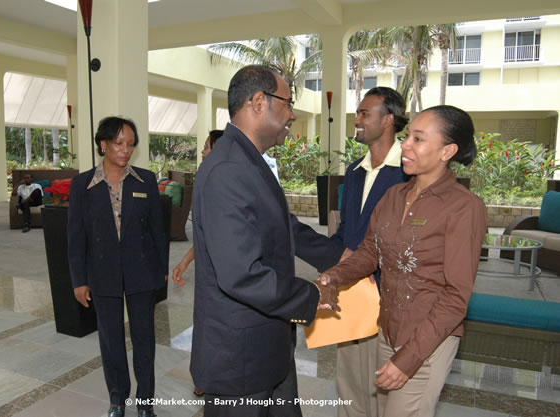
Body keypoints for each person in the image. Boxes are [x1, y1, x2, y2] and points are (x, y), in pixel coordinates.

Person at [190, 64, 343, 417]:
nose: (292, 114)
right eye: (287, 103)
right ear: (259, 102)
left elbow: (283, 226)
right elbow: (241, 274)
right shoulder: (228, 168)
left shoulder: (250, 161)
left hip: (268, 347)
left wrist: (340, 256)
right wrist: (312, 294)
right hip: (239, 361)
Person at [319, 105, 487, 417]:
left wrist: (409, 358)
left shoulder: (464, 208)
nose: (405, 144)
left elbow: (456, 296)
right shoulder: (394, 196)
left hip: (428, 341)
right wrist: (334, 276)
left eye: (418, 139)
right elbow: (370, 252)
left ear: (447, 151)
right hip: (387, 330)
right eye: (407, 136)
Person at [67, 116, 167, 417]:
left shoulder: (145, 181)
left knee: (144, 339)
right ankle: (117, 400)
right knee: (110, 341)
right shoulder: (83, 185)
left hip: (141, 273)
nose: (125, 150)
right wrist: (78, 280)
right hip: (102, 274)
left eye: (130, 145)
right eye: (119, 143)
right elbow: (75, 237)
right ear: (103, 144)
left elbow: (157, 231)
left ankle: (145, 402)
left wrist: (161, 269)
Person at [330, 87, 409, 417]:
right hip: (352, 290)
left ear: (388, 120)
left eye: (364, 113)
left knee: (383, 384)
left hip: (389, 294)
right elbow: (347, 232)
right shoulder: (354, 171)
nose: (357, 119)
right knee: (348, 379)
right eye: (357, 113)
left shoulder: (409, 171)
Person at [172, 129, 224, 289]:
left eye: (206, 147)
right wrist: (184, 262)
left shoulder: (225, 190)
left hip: (225, 274)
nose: (202, 151)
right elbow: (206, 236)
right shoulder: (208, 184)